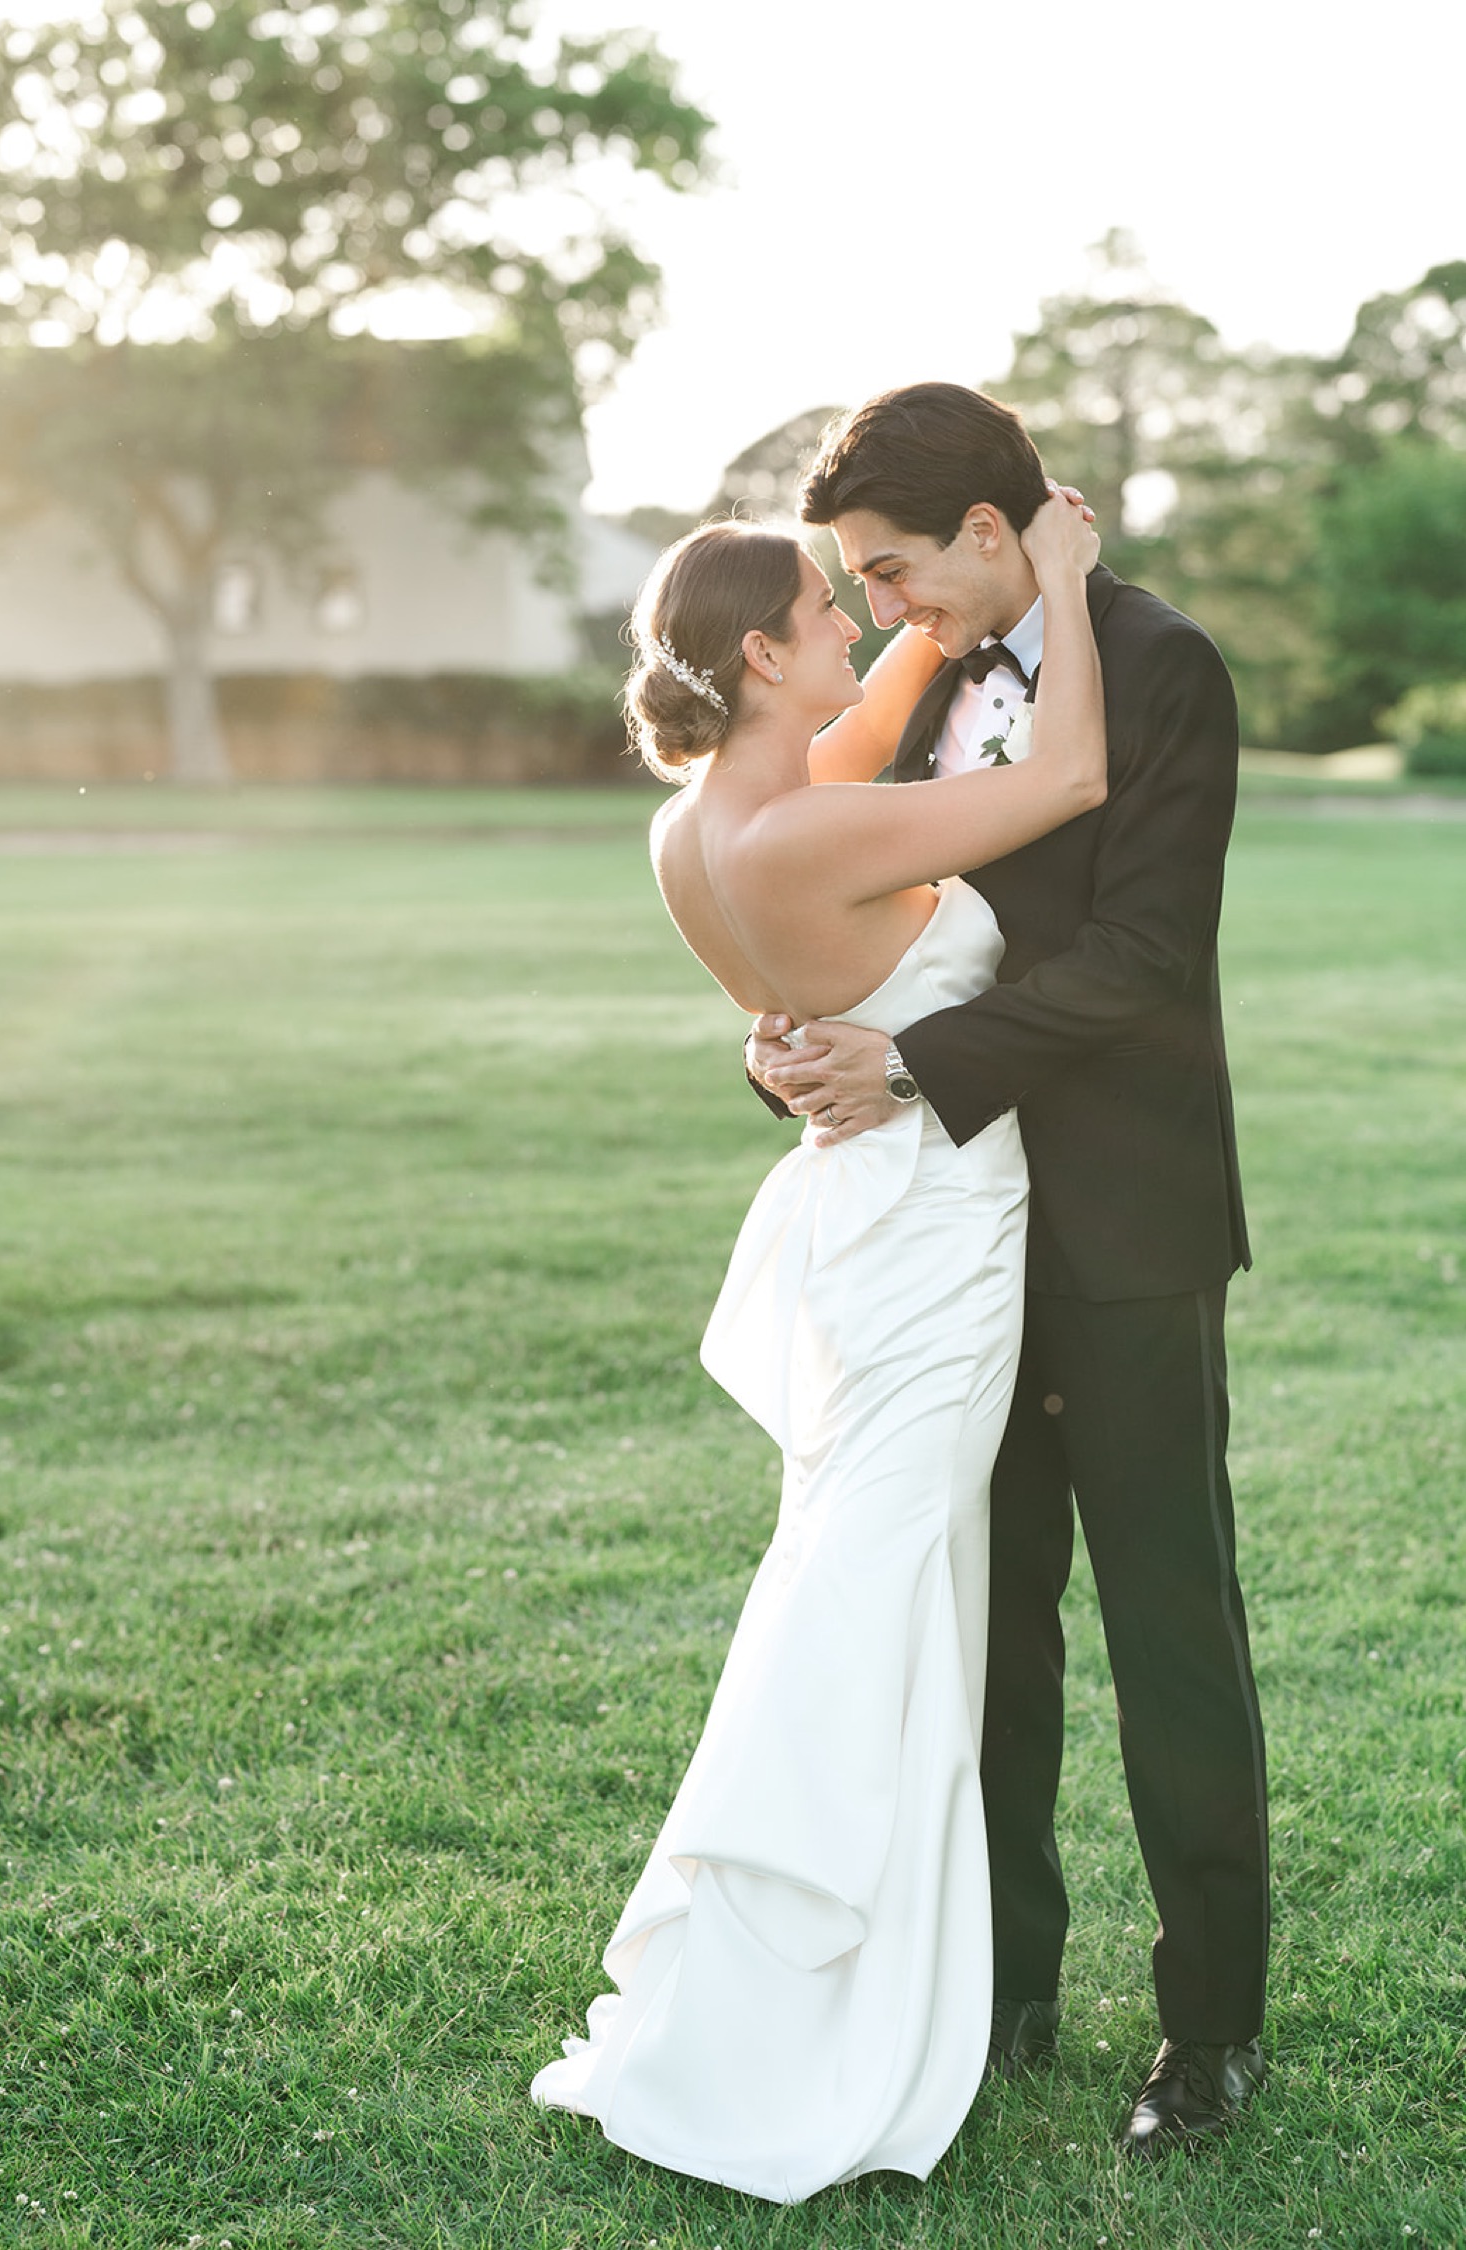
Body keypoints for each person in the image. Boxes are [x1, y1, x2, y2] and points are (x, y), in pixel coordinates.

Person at [531, 491, 1106, 2202]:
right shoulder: (808, 836)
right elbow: (1065, 777)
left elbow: (855, 723)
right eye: (826, 603)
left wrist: (933, 592)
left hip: (863, 1213)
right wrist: (1057, 579)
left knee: (877, 1563)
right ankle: (805, 1978)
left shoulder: (709, 822)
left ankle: (881, 1955)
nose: (860, 620)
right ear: (761, 652)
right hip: (927, 1233)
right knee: (877, 1578)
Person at [750, 381, 1269, 2158]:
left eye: (894, 571)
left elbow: (1142, 955)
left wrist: (912, 1066)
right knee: (989, 1639)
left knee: (1168, 1630)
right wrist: (809, 1032)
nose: (884, 608)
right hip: (951, 1238)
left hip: (1122, 1229)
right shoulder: (925, 688)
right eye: (860, 582)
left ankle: (1211, 2026)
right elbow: (870, 911)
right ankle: (1005, 1983)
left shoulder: (1167, 660)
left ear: (991, 531)